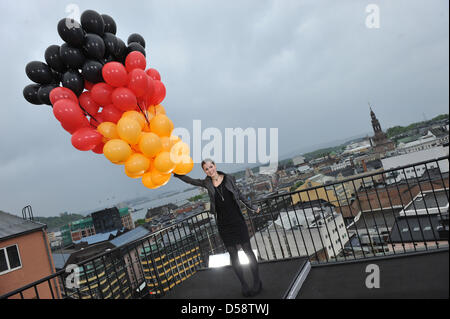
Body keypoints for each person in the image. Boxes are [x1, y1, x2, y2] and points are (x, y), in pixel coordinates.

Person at [173, 159, 263, 297]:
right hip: (223, 224)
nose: (210, 170)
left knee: (247, 251)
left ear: (215, 166)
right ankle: (244, 284)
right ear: (204, 171)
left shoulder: (229, 178)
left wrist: (253, 207)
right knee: (233, 255)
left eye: (211, 166)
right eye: (206, 169)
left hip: (237, 221)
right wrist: (177, 173)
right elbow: (190, 181)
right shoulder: (206, 183)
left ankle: (257, 282)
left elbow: (240, 195)